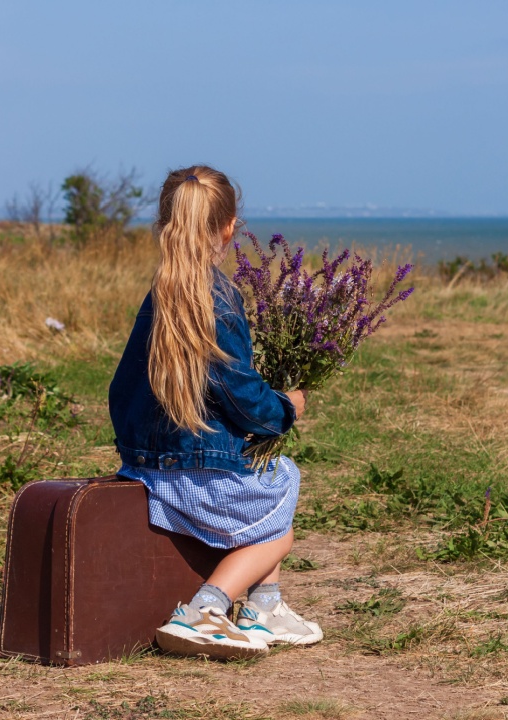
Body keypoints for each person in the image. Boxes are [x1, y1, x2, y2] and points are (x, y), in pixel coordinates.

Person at [108, 165, 323, 660]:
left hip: (146, 469)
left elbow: (121, 389)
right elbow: (239, 393)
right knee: (280, 495)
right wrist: (284, 409)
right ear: (229, 227)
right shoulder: (218, 298)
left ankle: (265, 607)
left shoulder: (161, 295)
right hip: (195, 472)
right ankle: (206, 610)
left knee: (263, 491)